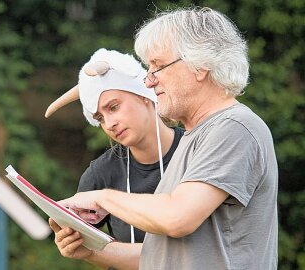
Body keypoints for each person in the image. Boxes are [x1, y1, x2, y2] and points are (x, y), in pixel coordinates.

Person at [50, 7, 278, 270]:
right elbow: (157, 256)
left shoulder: (235, 127)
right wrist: (87, 250)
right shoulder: (196, 137)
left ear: (200, 65)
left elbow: (177, 218)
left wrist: (102, 198)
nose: (148, 81)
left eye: (158, 65)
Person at [45, 48, 183, 244]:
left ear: (143, 94)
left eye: (114, 107)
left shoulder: (197, 150)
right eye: (100, 118)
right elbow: (91, 246)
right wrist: (71, 241)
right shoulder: (100, 174)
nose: (109, 124)